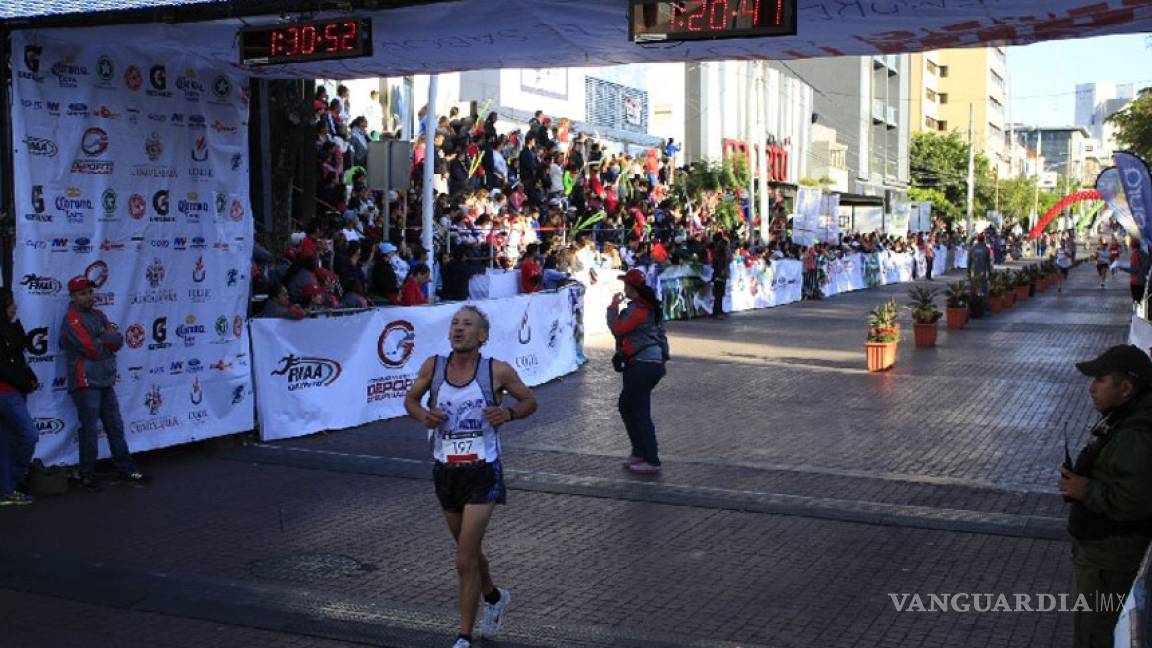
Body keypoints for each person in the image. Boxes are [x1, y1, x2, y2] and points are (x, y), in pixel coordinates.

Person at [404, 306, 538, 648]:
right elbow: (411, 399)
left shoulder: (497, 371)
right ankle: (493, 597)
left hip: (483, 471)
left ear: (482, 336)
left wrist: (507, 412)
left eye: (467, 325)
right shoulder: (433, 367)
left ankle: (463, 637)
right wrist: (423, 416)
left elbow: (529, 401)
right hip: (446, 471)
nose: (458, 329)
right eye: (454, 324)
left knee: (463, 559)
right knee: (470, 551)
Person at [1060, 345, 1152, 648]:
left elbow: (1135, 500)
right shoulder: (1126, 417)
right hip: (1104, 555)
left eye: (1100, 380)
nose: (1091, 388)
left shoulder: (1136, 435)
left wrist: (1084, 489)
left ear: (1125, 388)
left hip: (1110, 559)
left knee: (1093, 635)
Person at [59, 276, 149, 491]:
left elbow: (117, 340)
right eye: (83, 293)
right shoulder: (72, 319)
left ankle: (127, 470)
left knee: (115, 427)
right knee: (90, 431)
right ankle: (87, 476)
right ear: (72, 296)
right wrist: (102, 340)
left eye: (90, 292)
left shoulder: (99, 315)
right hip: (85, 382)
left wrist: (102, 339)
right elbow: (94, 350)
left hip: (105, 380)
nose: (89, 297)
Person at [607, 269, 668, 476]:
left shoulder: (641, 310)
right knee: (627, 406)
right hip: (649, 363)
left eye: (625, 284)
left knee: (639, 411)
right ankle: (640, 451)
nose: (623, 288)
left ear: (631, 288)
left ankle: (651, 458)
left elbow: (618, 328)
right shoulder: (649, 307)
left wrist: (613, 307)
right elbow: (661, 335)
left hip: (642, 364)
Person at [0, 290, 39, 506]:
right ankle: (13, 481)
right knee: (29, 435)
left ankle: (7, 490)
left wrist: (28, 378)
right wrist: (24, 382)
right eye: (10, 304)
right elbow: (6, 367)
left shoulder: (10, 329)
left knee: (5, 443)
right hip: (7, 394)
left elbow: (18, 361)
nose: (14, 307)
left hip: (12, 393)